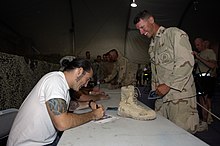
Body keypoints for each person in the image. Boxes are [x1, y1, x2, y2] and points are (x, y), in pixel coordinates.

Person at [7, 58, 105, 145]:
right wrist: (93, 115)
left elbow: (66, 106)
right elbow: (62, 123)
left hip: (47, 140)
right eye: (87, 79)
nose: (86, 85)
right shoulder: (55, 81)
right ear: (79, 71)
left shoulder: (62, 84)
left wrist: (88, 103)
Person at [134, 10, 199, 133]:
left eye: (142, 27)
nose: (141, 32)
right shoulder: (152, 45)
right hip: (161, 99)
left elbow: (186, 63)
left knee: (182, 136)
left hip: (179, 98)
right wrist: (155, 93)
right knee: (162, 134)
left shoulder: (173, 34)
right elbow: (156, 73)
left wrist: (168, 85)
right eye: (139, 30)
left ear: (151, 20)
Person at [193, 37, 217, 130]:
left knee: (204, 101)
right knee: (201, 101)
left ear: (203, 43)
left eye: (198, 44)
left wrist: (198, 57)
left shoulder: (209, 52)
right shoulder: (200, 53)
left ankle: (205, 122)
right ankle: (204, 119)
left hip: (207, 79)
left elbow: (212, 65)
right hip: (200, 79)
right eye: (196, 45)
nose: (197, 47)